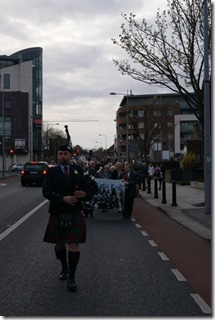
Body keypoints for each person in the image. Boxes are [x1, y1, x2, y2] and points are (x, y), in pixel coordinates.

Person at [42, 145, 89, 292]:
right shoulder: (51, 172)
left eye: (66, 154)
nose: (63, 156)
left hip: (74, 211)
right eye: (60, 154)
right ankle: (64, 266)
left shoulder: (79, 171)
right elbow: (46, 191)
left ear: (70, 156)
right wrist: (62, 198)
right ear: (57, 156)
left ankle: (72, 278)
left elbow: (92, 187)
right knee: (59, 245)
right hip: (57, 210)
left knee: (74, 245)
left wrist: (85, 193)